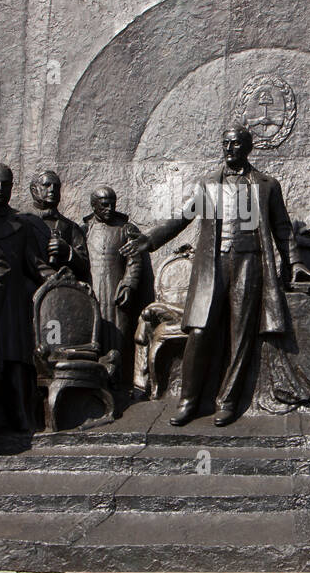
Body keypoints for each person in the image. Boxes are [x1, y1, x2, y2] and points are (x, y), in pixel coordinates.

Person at [123, 124, 296, 427]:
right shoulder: (208, 185)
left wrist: (295, 262)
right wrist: (149, 240)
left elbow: (282, 228)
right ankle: (188, 401)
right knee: (200, 332)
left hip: (249, 263)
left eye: (236, 144)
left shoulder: (266, 185)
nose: (230, 149)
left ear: (248, 147)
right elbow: (182, 217)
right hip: (213, 264)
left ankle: (228, 401)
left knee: (240, 335)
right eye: (225, 143)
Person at [0, 162, 55, 438]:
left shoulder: (21, 224)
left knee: (15, 360)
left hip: (11, 303)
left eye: (6, 184)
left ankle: (19, 416)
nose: (0, 189)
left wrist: (58, 277)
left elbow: (35, 264)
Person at [82, 187, 145, 385]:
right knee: (93, 336)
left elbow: (134, 260)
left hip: (116, 289)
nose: (109, 208)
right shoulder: (85, 229)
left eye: (112, 204)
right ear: (94, 206)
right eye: (104, 205)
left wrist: (128, 285)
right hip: (92, 291)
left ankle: (118, 384)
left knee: (119, 337)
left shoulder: (125, 228)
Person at [22, 170, 89, 282]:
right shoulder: (21, 221)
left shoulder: (71, 227)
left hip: (60, 288)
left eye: (56, 186)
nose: (52, 190)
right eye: (46, 185)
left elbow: (84, 265)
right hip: (28, 288)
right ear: (34, 190)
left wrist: (68, 251)